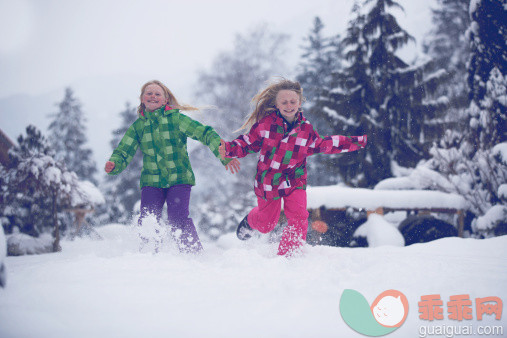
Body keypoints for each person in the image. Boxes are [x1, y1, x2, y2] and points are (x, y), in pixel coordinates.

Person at [218, 78, 366, 257]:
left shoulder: (306, 129)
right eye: (284, 102)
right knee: (266, 225)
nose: (289, 105)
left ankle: (289, 257)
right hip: (269, 180)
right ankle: (250, 221)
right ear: (277, 104)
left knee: (299, 217)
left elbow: (324, 144)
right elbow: (247, 142)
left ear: (300, 102)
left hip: (294, 179)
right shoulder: (266, 126)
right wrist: (228, 148)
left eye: (293, 101)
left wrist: (358, 142)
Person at [105, 80, 240, 253]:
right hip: (151, 181)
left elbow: (205, 133)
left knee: (177, 218)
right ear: (142, 99)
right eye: (149, 93)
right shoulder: (138, 127)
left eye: (157, 94)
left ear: (165, 100)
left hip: (179, 179)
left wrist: (225, 154)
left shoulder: (176, 120)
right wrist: (114, 164)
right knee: (148, 219)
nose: (153, 96)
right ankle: (148, 253)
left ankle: (192, 253)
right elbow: (125, 149)